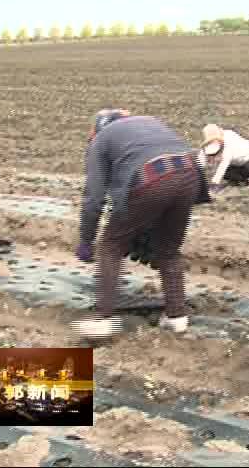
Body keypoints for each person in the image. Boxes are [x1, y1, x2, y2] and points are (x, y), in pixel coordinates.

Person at [72, 109, 208, 338]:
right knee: (168, 251)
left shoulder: (102, 139)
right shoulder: (150, 120)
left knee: (110, 246)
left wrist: (86, 239)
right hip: (190, 174)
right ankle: (177, 318)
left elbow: (93, 197)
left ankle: (103, 319)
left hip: (151, 177)